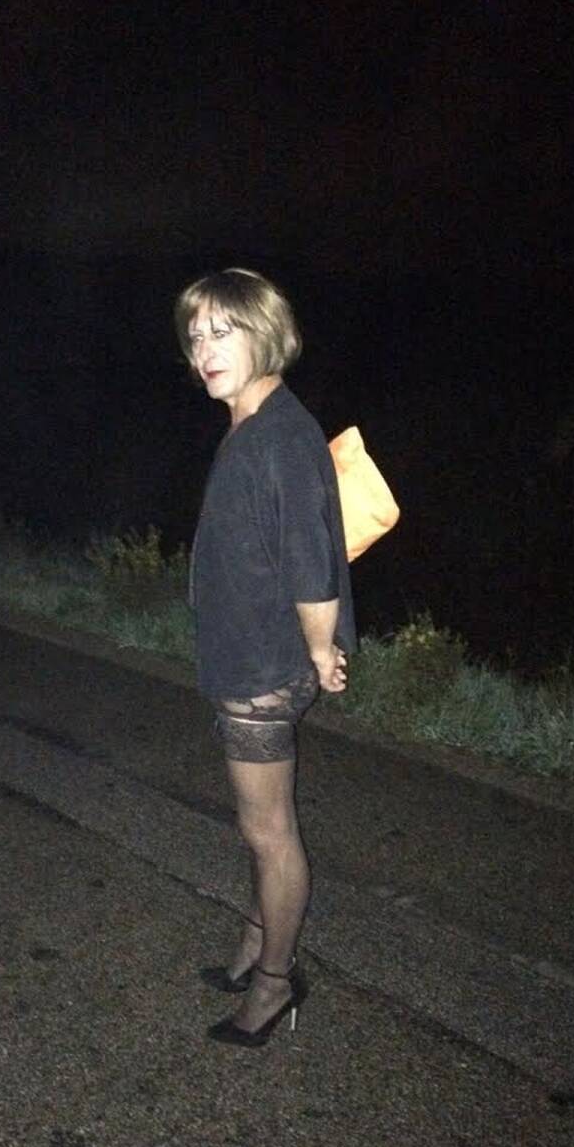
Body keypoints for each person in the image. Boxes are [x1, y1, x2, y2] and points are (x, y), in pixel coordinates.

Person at [175, 267, 357, 1048]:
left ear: (265, 334)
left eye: (224, 332)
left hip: (262, 667)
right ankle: (257, 938)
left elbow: (310, 562)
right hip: (247, 651)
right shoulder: (257, 417)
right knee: (258, 828)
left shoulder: (275, 437)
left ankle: (276, 983)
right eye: (196, 337)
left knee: (269, 831)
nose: (204, 351)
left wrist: (320, 649)